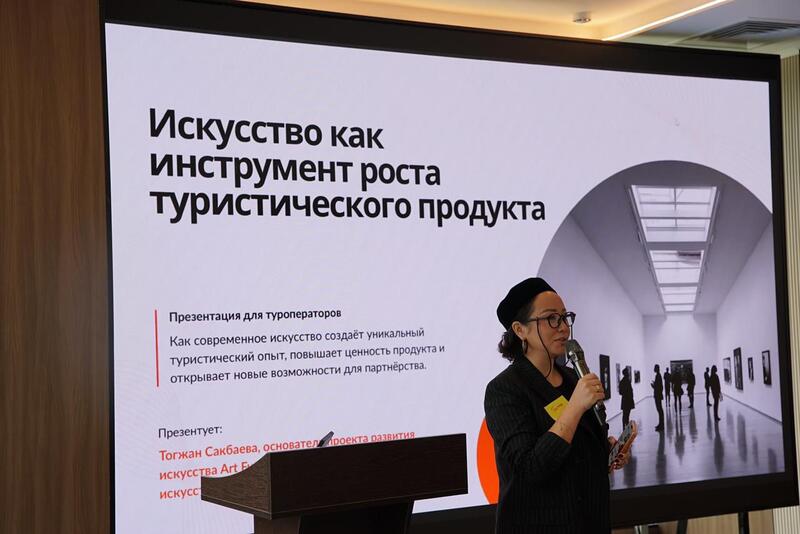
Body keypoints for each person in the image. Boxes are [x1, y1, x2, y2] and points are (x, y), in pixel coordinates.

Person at [484, 278, 630, 534]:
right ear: (520, 330)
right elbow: (530, 468)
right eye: (551, 318)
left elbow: (577, 447)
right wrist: (574, 408)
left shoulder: (573, 378)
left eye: (565, 317)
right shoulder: (505, 389)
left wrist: (607, 451)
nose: (563, 327)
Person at [651, 365, 664, 432]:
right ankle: (660, 424)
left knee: (660, 410)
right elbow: (659, 386)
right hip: (658, 395)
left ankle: (661, 425)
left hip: (657, 395)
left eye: (654, 368)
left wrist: (653, 386)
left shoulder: (658, 376)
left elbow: (659, 387)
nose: (654, 369)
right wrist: (655, 385)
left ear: (657, 368)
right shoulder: (658, 375)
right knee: (659, 410)